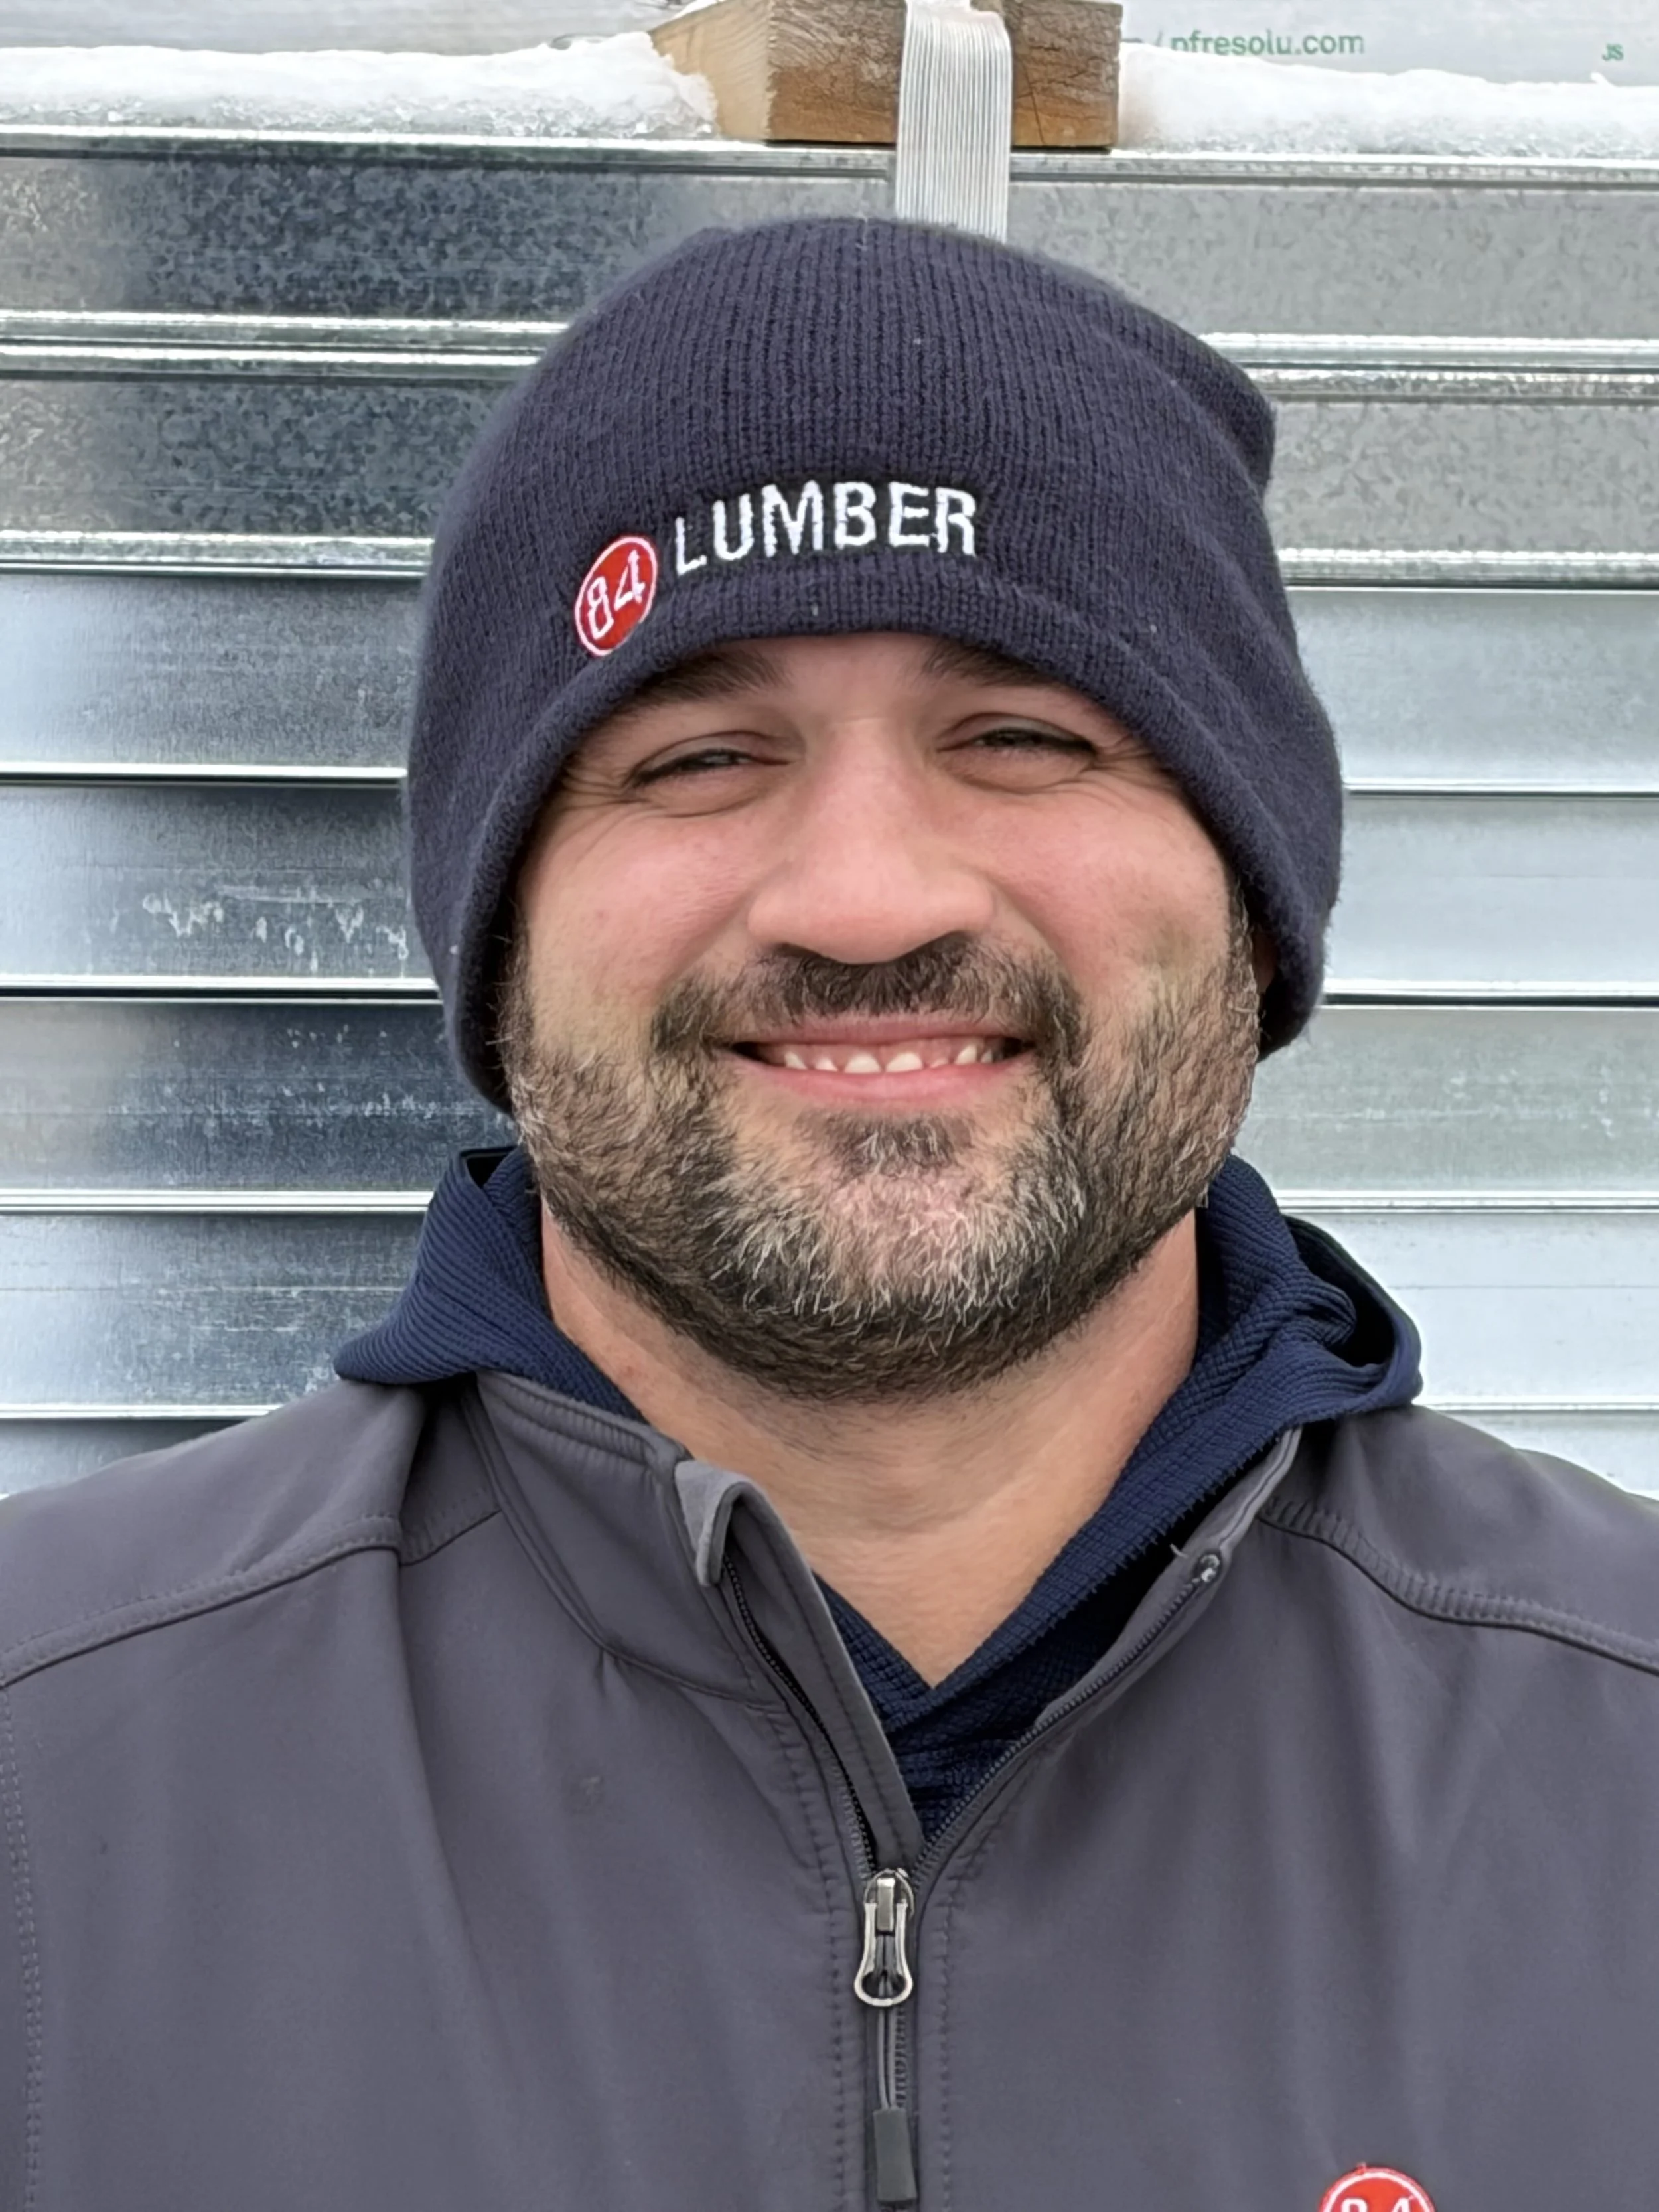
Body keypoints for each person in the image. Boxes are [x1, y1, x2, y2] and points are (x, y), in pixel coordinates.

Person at [1, 217, 1655, 2212]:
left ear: (1248, 888)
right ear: (502, 928)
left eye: (1025, 736)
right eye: (699, 754)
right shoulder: (46, 1768)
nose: (864, 896)